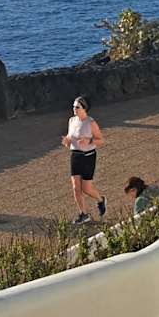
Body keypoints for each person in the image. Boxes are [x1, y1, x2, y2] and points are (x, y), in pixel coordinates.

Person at [61, 96, 105, 224]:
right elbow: (70, 136)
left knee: (86, 189)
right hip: (75, 156)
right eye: (73, 106)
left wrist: (89, 141)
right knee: (76, 187)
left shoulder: (91, 123)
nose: (74, 109)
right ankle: (83, 214)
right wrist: (67, 141)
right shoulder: (71, 121)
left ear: (84, 108)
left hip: (88, 156)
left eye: (77, 107)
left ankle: (101, 200)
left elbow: (101, 140)